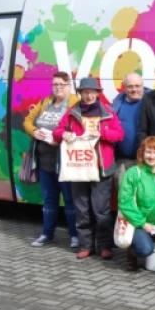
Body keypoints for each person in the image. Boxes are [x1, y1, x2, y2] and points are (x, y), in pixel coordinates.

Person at [54, 76, 124, 260]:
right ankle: (85, 246)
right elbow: (57, 132)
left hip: (101, 168)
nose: (88, 95)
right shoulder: (72, 112)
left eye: (92, 92)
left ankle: (104, 246)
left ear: (97, 93)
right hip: (78, 168)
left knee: (101, 211)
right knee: (82, 210)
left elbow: (119, 135)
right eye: (84, 92)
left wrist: (102, 133)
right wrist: (65, 134)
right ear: (80, 93)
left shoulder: (108, 112)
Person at [23, 71, 79, 248]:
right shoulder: (45, 101)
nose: (58, 88)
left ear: (68, 86)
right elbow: (27, 121)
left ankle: (74, 235)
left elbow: (79, 128)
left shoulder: (75, 102)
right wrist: (35, 132)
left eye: (61, 85)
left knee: (70, 200)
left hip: (64, 162)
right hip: (44, 161)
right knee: (49, 200)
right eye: (55, 84)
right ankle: (47, 234)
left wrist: (60, 137)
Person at [118, 136, 155, 271]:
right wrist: (143, 223)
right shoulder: (133, 173)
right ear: (142, 153)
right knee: (145, 249)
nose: (152, 156)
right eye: (148, 152)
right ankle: (132, 251)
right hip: (137, 223)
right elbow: (125, 202)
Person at [112, 72, 148, 181]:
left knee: (144, 195)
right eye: (130, 86)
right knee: (123, 195)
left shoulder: (151, 103)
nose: (134, 90)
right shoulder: (117, 105)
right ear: (124, 87)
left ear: (143, 86)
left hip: (146, 160)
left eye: (137, 86)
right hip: (122, 160)